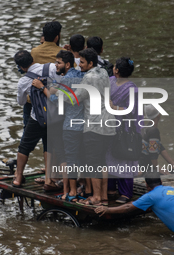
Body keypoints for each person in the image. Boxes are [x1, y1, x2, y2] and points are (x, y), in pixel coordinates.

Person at [60, 48, 116, 205]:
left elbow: (75, 98)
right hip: (109, 123)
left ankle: (96, 197)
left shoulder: (89, 78)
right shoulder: (104, 73)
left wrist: (58, 94)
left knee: (93, 163)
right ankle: (103, 196)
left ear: (91, 63)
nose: (80, 66)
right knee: (102, 161)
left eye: (82, 63)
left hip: (94, 126)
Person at [32, 50, 85, 200]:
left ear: (67, 64)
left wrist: (42, 88)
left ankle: (69, 192)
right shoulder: (80, 74)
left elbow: (55, 100)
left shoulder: (67, 79)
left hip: (70, 125)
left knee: (69, 159)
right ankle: (81, 188)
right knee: (81, 157)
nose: (56, 65)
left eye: (59, 63)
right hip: (83, 123)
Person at [13, 50, 61, 190]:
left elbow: (21, 102)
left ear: (21, 67)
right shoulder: (51, 67)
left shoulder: (23, 81)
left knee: (25, 145)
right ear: (32, 59)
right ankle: (50, 178)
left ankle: (18, 177)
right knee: (49, 145)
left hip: (37, 117)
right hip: (56, 117)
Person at [95, 173, 174, 239]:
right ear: (161, 182)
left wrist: (107, 209)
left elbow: (127, 207)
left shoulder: (150, 196)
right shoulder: (171, 189)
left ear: (147, 185)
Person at [106, 57, 142, 204]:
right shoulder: (109, 81)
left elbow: (132, 110)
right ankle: (111, 189)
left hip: (124, 127)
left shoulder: (131, 89)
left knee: (123, 156)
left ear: (117, 70)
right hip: (110, 125)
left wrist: (114, 107)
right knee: (110, 156)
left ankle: (126, 193)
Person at [139, 104, 174, 171]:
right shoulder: (154, 131)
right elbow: (153, 154)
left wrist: (173, 164)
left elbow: (159, 147)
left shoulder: (145, 128)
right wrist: (158, 169)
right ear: (158, 115)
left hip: (141, 165)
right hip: (147, 168)